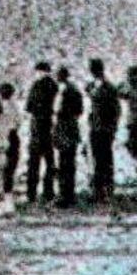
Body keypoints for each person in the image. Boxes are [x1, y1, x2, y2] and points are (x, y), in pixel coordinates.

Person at [87, 58, 120, 202]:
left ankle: (104, 190)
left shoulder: (108, 88)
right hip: (96, 127)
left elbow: (116, 110)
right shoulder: (96, 86)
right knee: (98, 159)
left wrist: (112, 127)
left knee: (103, 160)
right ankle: (100, 190)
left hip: (103, 128)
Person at [25, 62, 58, 204]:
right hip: (49, 127)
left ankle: (31, 193)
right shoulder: (54, 86)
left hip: (37, 128)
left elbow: (29, 107)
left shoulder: (36, 86)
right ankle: (48, 191)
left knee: (34, 162)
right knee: (49, 161)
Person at [55, 66, 84, 208]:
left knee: (63, 163)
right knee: (70, 163)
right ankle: (70, 194)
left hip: (63, 128)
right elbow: (80, 110)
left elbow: (57, 110)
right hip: (72, 127)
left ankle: (64, 196)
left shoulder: (62, 92)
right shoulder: (75, 90)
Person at [0, 81, 21, 196]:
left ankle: (1, 189)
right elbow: (18, 123)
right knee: (11, 164)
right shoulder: (14, 106)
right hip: (12, 135)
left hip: (1, 136)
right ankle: (8, 189)